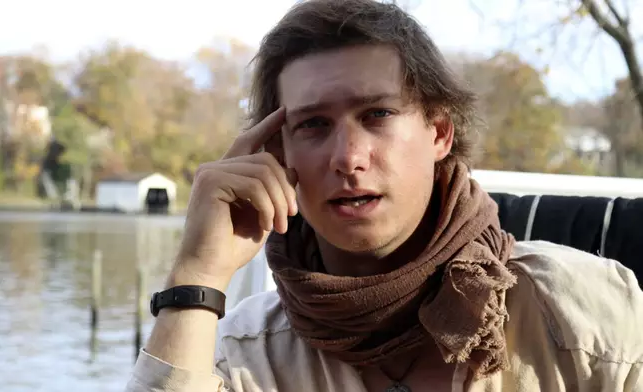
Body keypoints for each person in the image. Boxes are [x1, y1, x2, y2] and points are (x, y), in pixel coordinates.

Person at [125, 0, 643, 391]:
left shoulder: (585, 314)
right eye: (312, 124)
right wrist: (196, 277)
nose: (348, 156)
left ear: (440, 133)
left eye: (377, 115)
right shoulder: (241, 357)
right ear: (277, 155)